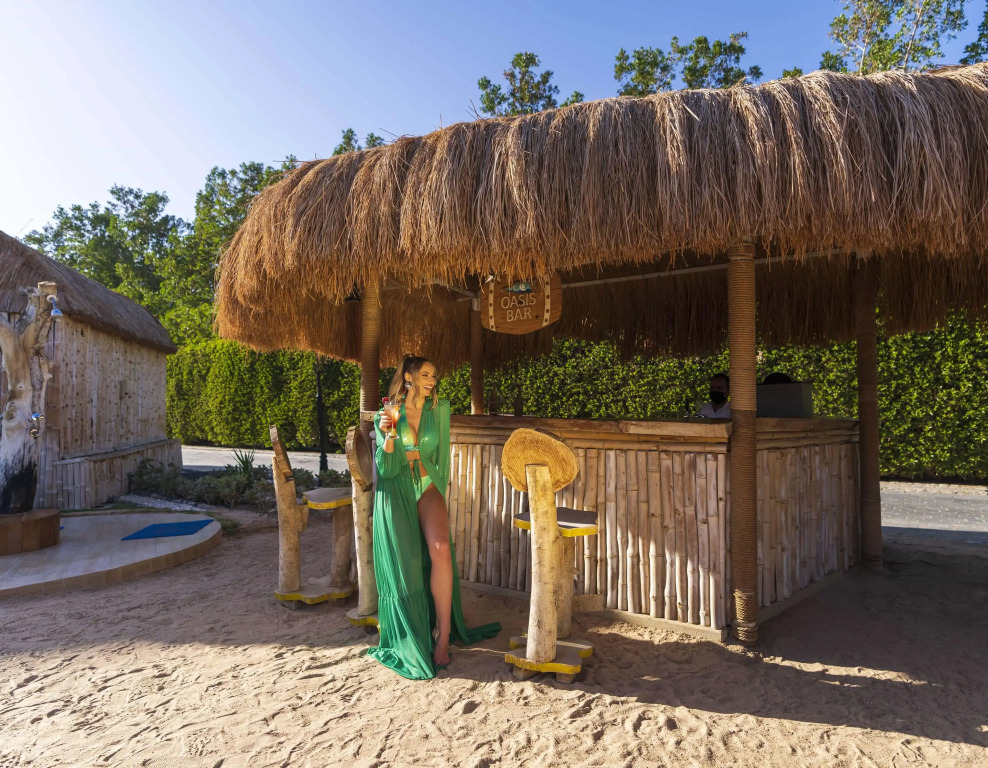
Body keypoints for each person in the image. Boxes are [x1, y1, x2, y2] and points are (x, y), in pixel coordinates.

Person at [370, 355, 500, 679]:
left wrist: (437, 490)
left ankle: (443, 636)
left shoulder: (439, 410)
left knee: (440, 548)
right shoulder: (386, 412)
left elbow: (441, 457)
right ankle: (411, 633)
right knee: (406, 565)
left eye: (434, 375)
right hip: (395, 488)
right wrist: (388, 435)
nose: (432, 380)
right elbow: (385, 468)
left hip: (428, 485)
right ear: (409, 376)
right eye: (426, 374)